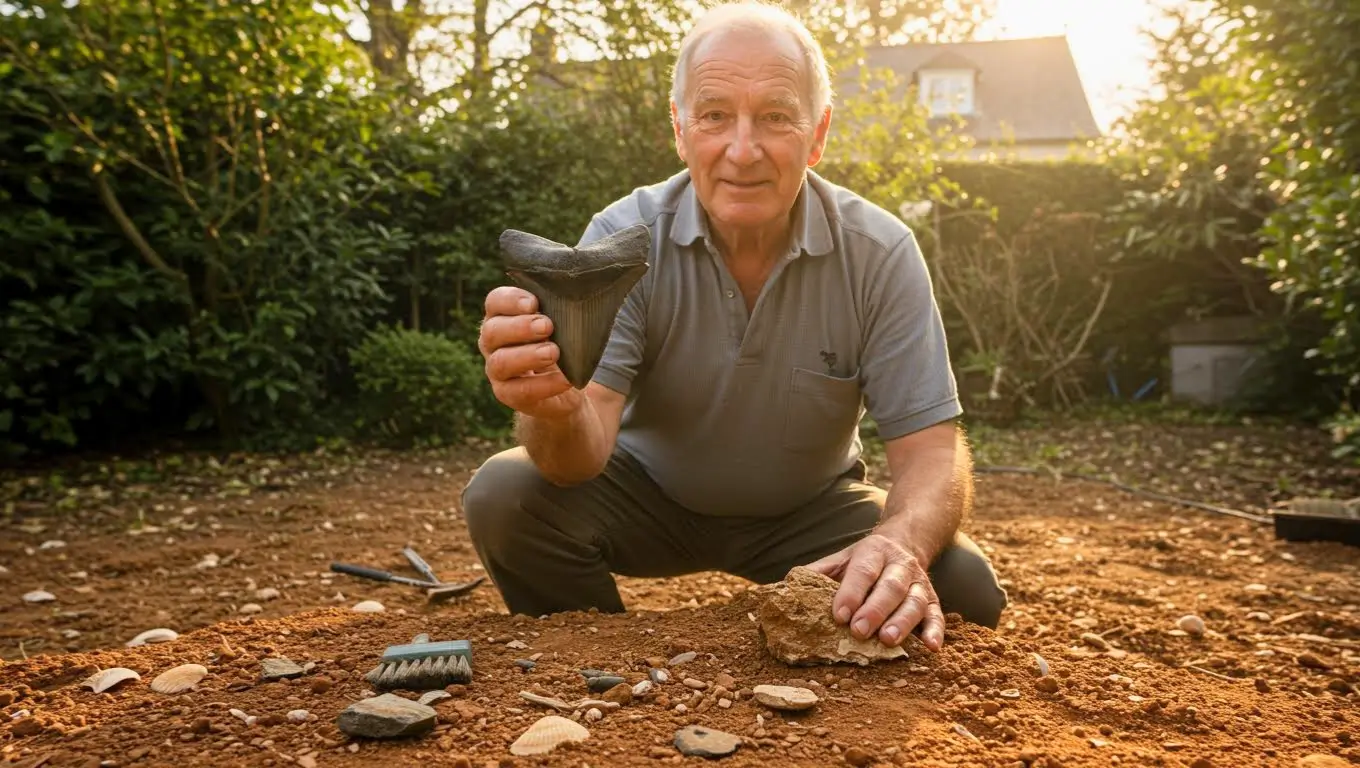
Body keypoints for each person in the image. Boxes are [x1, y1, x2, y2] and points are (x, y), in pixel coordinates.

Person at [464, 0, 1006, 652]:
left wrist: (897, 541)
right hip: (646, 499)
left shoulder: (880, 252)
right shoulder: (623, 240)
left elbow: (930, 451)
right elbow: (583, 449)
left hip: (813, 513)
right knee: (506, 495)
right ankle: (602, 661)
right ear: (680, 128)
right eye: (715, 115)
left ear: (819, 132)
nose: (742, 150)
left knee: (962, 583)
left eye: (776, 117)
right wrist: (550, 407)